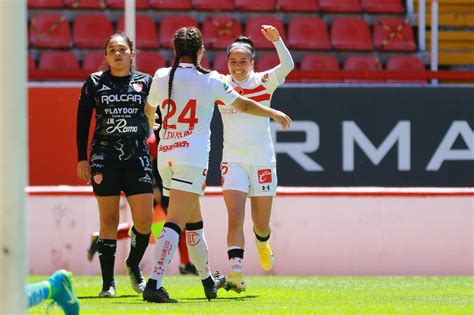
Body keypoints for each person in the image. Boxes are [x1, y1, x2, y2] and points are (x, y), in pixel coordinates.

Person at [142, 26, 291, 303]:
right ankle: (154, 282)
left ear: (175, 51)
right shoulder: (211, 80)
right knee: (175, 223)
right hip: (191, 159)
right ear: (201, 51)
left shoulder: (162, 76)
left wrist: (156, 127)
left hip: (166, 157)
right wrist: (272, 111)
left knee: (194, 223)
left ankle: (208, 281)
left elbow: (149, 111)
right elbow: (245, 106)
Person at [76, 33, 156, 298]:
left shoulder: (145, 82)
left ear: (132, 53)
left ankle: (133, 264)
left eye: (122, 49)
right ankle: (108, 283)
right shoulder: (95, 82)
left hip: (138, 158)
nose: (118, 54)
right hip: (104, 159)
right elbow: (82, 122)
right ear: (106, 56)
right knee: (108, 220)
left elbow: (158, 116)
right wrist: (82, 158)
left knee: (145, 221)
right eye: (112, 50)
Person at [218, 25, 295, 293]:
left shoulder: (263, 81)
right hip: (233, 161)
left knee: (260, 224)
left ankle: (262, 243)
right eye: (233, 61)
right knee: (235, 215)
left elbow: (287, 65)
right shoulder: (221, 84)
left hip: (262, 161)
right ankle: (236, 272)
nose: (237, 66)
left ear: (252, 62)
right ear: (226, 62)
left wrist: (277, 41)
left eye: (243, 61)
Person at [86, 132, 198, 276]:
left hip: (167, 187)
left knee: (161, 227)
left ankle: (185, 263)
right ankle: (185, 264)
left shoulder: (174, 136)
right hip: (155, 189)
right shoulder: (154, 140)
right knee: (164, 225)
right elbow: (145, 164)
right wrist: (154, 187)